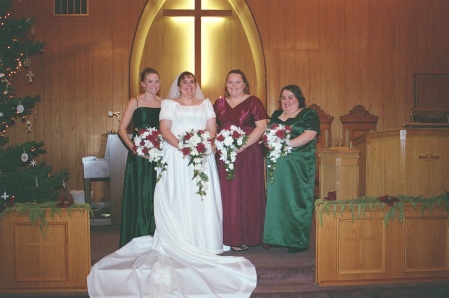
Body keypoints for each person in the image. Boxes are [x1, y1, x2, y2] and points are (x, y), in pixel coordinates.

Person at [87, 71, 257, 297]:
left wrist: (202, 145)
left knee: (201, 198)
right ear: (178, 86)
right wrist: (184, 146)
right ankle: (178, 237)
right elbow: (165, 130)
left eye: (191, 82)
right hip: (176, 155)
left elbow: (212, 129)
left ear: (196, 85)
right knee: (177, 197)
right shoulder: (168, 103)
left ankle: (204, 241)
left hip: (201, 155)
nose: (188, 85)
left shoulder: (206, 103)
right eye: (184, 82)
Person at [213, 69, 268, 252]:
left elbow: (261, 126)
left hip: (249, 153)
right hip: (225, 154)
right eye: (230, 82)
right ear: (226, 84)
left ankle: (248, 235)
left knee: (247, 192)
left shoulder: (253, 101)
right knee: (227, 194)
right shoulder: (219, 103)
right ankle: (230, 236)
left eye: (238, 82)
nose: (234, 86)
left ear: (245, 84)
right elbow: (212, 127)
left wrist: (242, 145)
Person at [263, 84, 320, 253]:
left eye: (290, 97)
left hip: (298, 165)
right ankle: (277, 237)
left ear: (298, 99)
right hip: (277, 166)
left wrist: (285, 144)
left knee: (296, 200)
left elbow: (310, 135)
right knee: (277, 201)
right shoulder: (275, 115)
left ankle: (297, 240)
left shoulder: (309, 114)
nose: (286, 101)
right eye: (283, 98)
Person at [118, 67, 162, 247]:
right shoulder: (135, 101)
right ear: (143, 83)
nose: (154, 85)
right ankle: (138, 233)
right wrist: (134, 148)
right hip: (139, 156)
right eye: (150, 81)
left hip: (159, 155)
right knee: (140, 193)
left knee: (157, 194)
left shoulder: (164, 103)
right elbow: (122, 129)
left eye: (157, 81)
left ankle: (156, 233)